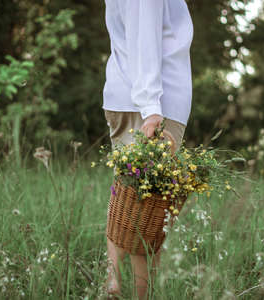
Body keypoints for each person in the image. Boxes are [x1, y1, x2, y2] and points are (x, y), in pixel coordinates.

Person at [102, 0, 193, 298]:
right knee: (148, 206)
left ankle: (113, 280)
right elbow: (145, 34)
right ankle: (140, 294)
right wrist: (151, 108)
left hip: (128, 94)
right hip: (152, 101)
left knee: (126, 196)